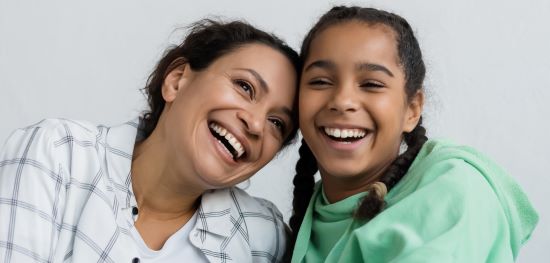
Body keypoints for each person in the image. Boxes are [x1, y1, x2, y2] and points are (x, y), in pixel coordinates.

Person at [0, 19, 300, 263]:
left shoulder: (263, 236)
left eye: (277, 123)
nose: (257, 124)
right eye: (244, 86)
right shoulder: (58, 155)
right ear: (177, 80)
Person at [288, 6, 538, 262]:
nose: (342, 101)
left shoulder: (453, 189)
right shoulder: (300, 218)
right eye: (320, 81)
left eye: (371, 84)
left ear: (412, 109)